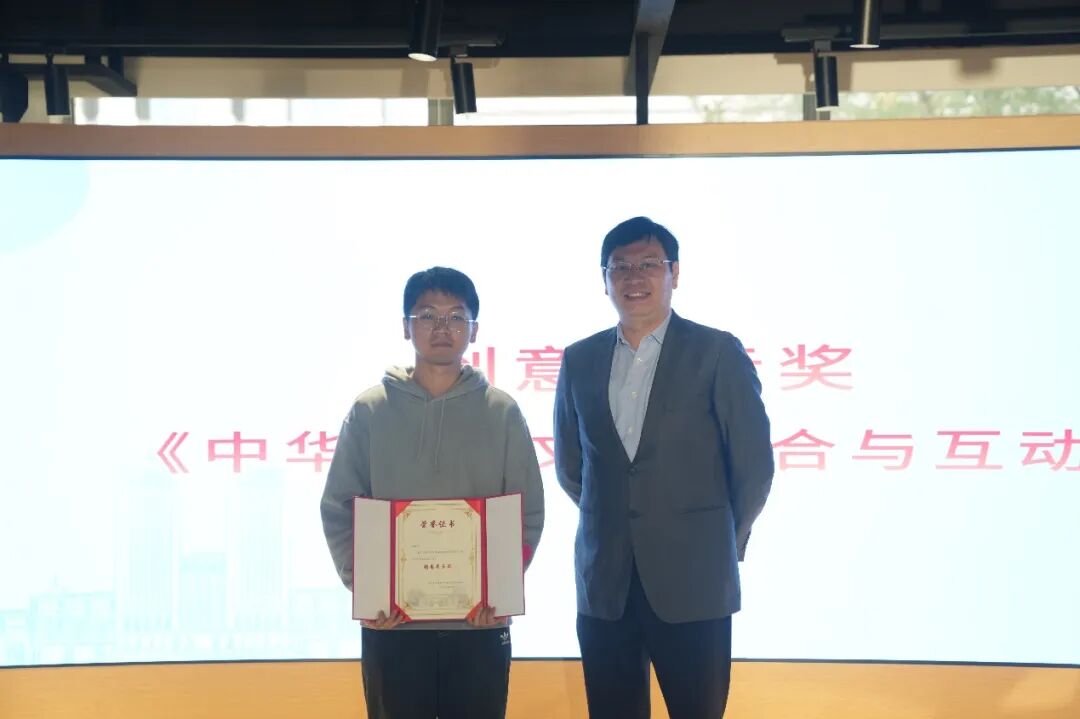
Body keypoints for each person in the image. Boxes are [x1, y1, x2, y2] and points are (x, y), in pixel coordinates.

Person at [554, 217, 773, 718]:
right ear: (604, 279)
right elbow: (572, 466)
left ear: (675, 273)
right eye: (621, 267)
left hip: (695, 578)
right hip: (605, 580)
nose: (634, 277)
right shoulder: (579, 359)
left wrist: (719, 539)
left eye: (649, 264)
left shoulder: (716, 352)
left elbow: (754, 467)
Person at [321, 266, 545, 719]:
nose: (442, 327)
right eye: (427, 315)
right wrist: (366, 590)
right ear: (406, 326)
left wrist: (500, 590)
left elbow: (527, 513)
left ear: (474, 329)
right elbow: (339, 508)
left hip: (479, 624)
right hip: (393, 625)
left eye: (456, 316)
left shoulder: (501, 412)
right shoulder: (370, 411)